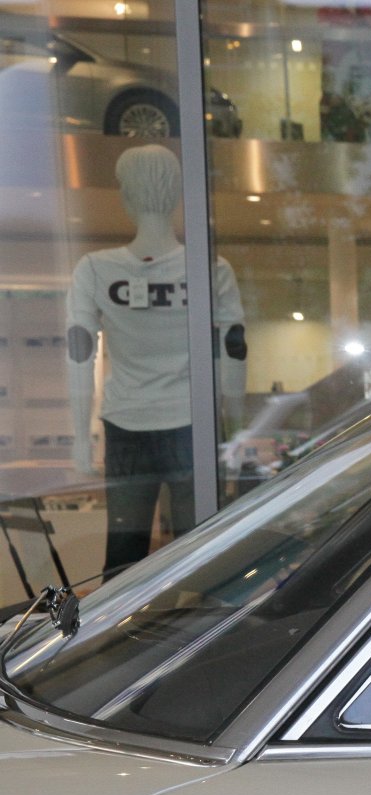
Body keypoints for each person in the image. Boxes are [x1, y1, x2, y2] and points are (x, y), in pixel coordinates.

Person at [66, 144, 247, 573]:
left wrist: (79, 436)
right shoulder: (211, 268)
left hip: (127, 425)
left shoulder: (95, 269)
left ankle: (123, 620)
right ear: (178, 195)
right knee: (197, 560)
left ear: (126, 195)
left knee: (124, 560)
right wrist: (236, 432)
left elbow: (79, 354)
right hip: (194, 426)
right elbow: (233, 350)